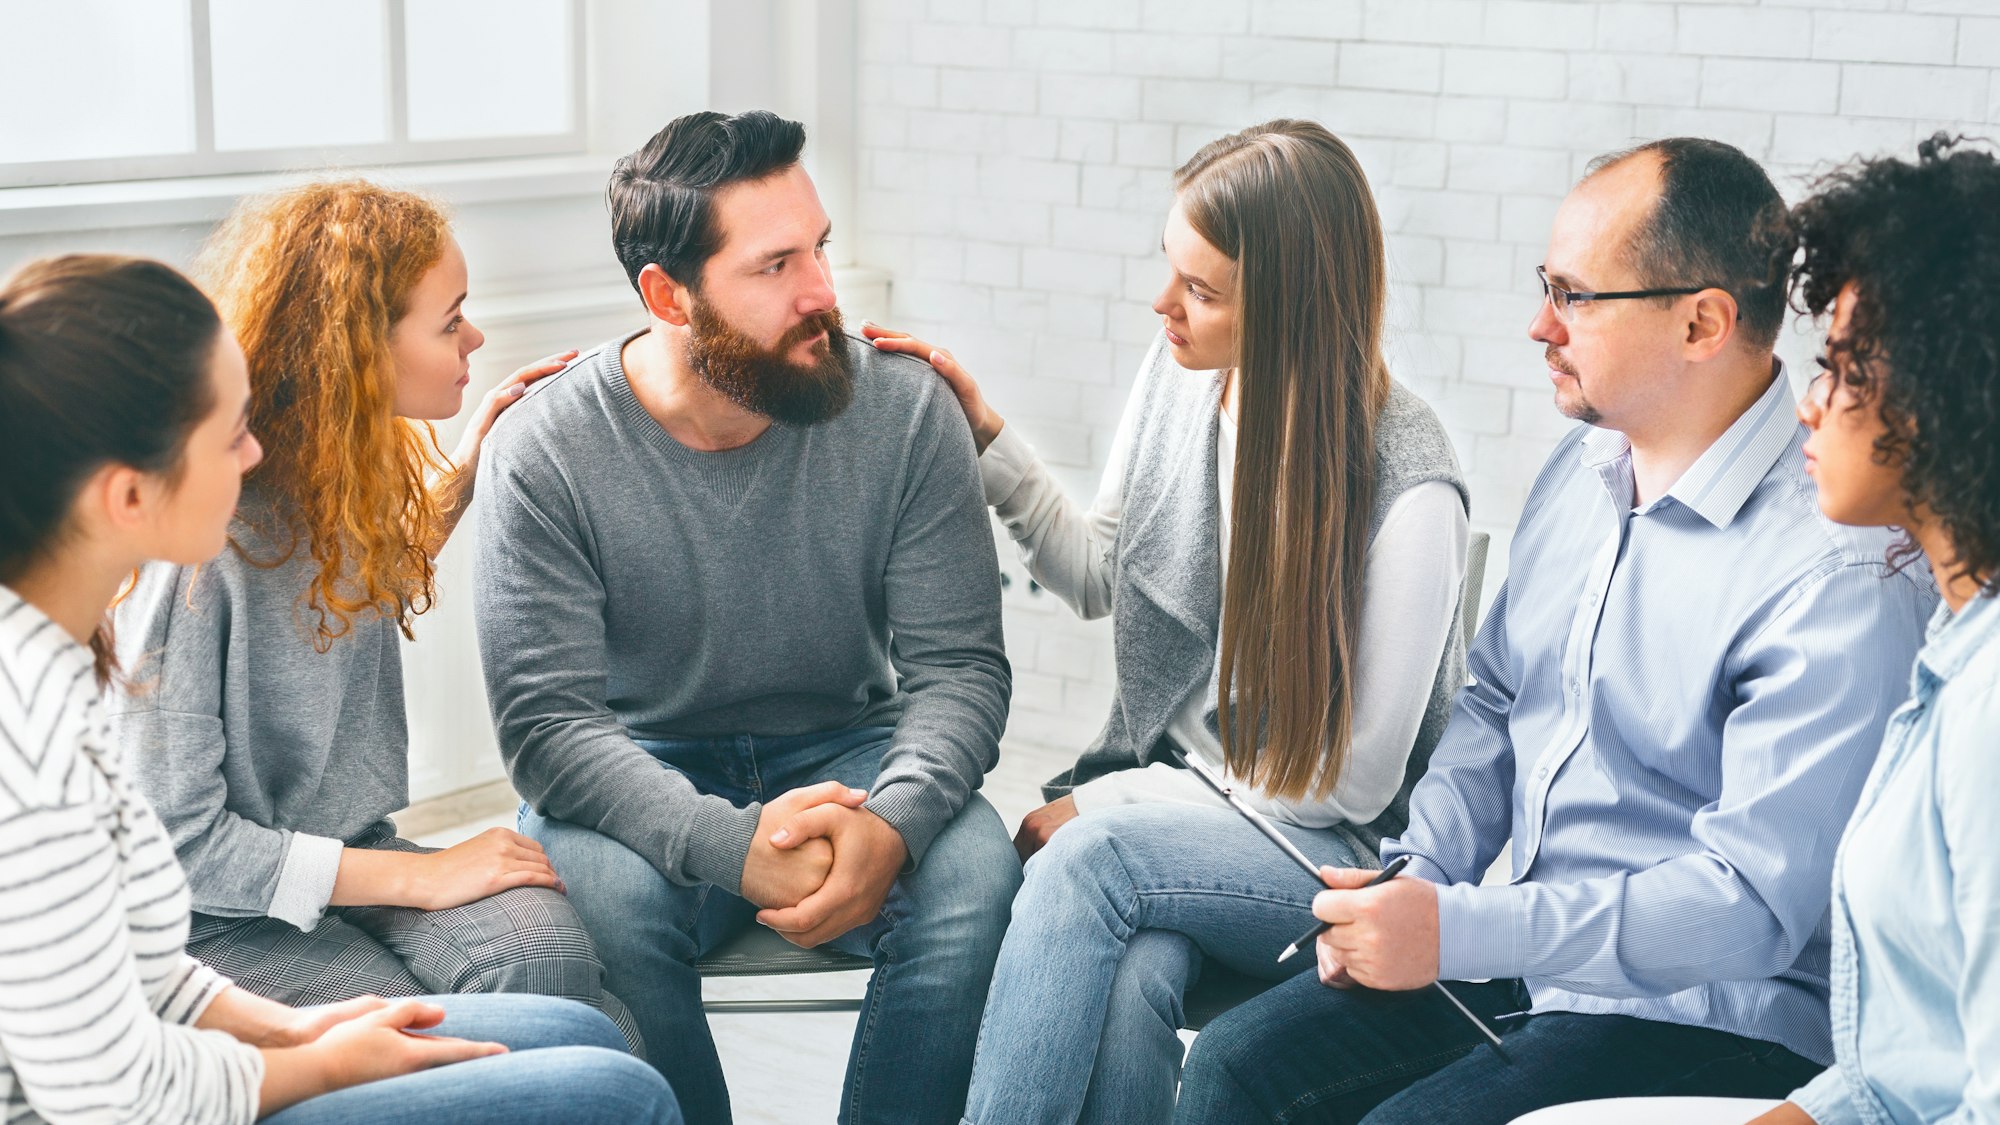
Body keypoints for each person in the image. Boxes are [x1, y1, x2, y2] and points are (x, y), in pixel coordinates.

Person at [1173, 137, 1937, 1125]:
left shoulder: (1833, 569)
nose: (1540, 325)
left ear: (1699, 321)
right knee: (1237, 1061)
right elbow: (1493, 701)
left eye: (1573, 296)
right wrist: (1420, 877)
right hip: (1538, 972)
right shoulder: (1577, 478)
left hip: (1714, 1020)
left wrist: (1456, 932)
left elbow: (1746, 905)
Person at [866, 118, 1472, 1122]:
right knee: (1134, 963)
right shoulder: (1185, 382)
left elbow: (1351, 786)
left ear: (1287, 311)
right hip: (1191, 816)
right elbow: (1103, 572)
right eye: (1169, 270)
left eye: (1201, 290)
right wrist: (985, 441)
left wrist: (1117, 804)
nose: (1164, 307)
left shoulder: (1407, 483)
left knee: (1088, 861)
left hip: (1342, 858)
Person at [0, 253, 678, 1125]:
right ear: (129, 495)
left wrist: (291, 1027)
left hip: (173, 1044)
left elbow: (136, 964)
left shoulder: (53, 659)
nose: (253, 450)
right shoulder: (35, 749)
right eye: (230, 431)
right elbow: (111, 1098)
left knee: (575, 1029)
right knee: (620, 1092)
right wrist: (321, 1066)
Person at [473, 109, 1018, 1124]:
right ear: (667, 294)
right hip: (640, 759)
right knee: (596, 908)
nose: (820, 293)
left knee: (978, 882)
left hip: (852, 749)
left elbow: (961, 673)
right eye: (773, 266)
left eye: (817, 249)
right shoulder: (545, 448)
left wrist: (895, 825)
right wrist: (732, 845)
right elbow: (548, 730)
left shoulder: (904, 408)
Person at [107, 181, 641, 1054]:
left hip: (348, 856)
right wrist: (419, 878)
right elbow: (181, 847)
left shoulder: (327, 489)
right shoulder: (197, 546)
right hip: (206, 921)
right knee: (497, 1041)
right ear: (358, 351)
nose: (475, 338)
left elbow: (333, 592)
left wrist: (466, 468)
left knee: (553, 971)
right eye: (450, 320)